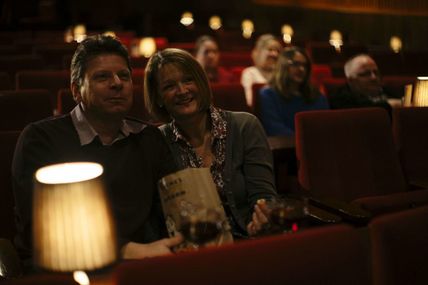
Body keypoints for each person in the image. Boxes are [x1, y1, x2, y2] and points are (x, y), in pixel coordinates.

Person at [12, 35, 182, 272]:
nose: (117, 83)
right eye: (102, 77)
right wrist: (130, 251)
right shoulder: (41, 139)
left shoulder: (148, 138)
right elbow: (39, 228)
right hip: (63, 266)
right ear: (76, 90)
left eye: (124, 76)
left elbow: (176, 206)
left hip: (140, 265)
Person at [144, 48, 277, 239]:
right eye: (169, 86)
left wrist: (260, 220)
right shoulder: (157, 141)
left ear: (201, 82)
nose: (182, 91)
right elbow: (158, 215)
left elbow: (263, 196)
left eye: (188, 80)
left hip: (249, 239)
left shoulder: (245, 126)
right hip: (192, 252)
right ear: (158, 98)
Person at [259, 46, 329, 136]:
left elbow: (325, 124)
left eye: (305, 65)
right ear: (283, 66)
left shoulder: (316, 96)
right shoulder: (268, 95)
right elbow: (274, 127)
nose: (301, 69)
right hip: (285, 146)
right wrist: (302, 141)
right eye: (296, 64)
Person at [328, 54, 401, 114]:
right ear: (351, 80)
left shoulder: (389, 91)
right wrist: (389, 105)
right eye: (365, 74)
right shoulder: (341, 98)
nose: (374, 77)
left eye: (376, 72)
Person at [241, 34, 282, 106]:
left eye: (278, 51)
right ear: (258, 52)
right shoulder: (249, 73)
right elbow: (249, 102)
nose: (275, 54)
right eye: (270, 49)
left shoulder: (281, 74)